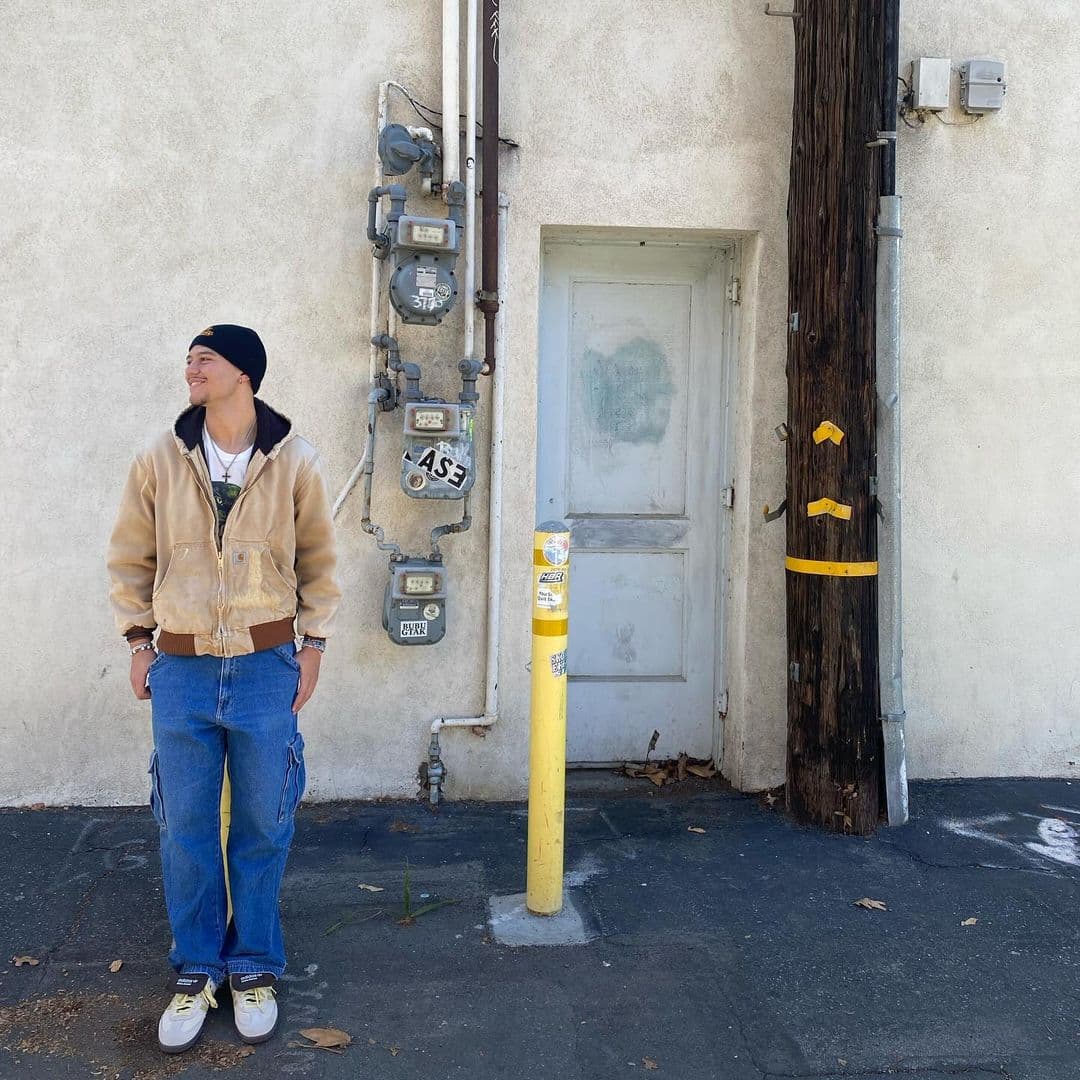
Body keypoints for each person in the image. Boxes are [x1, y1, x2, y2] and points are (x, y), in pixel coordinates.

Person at [107, 324, 340, 1053]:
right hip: (181, 670)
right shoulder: (159, 457)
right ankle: (197, 970)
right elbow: (129, 557)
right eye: (187, 360)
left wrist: (316, 644)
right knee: (185, 830)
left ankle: (254, 969)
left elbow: (320, 561)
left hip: (268, 667)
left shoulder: (294, 460)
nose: (190, 372)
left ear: (245, 374)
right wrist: (139, 641)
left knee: (265, 825)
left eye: (204, 360)